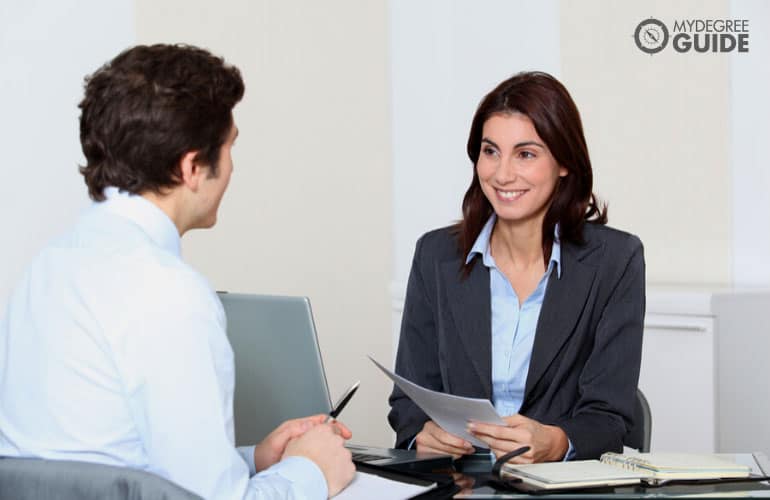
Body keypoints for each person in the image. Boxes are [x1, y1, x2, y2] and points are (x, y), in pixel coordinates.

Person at [0, 44, 355, 499]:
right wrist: (313, 470)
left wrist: (254, 459)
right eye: (229, 148)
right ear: (191, 167)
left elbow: (112, 466)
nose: (231, 167)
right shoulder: (168, 292)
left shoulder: (46, 267)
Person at [388, 71, 645, 464]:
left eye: (525, 154)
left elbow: (609, 418)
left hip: (559, 489)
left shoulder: (616, 260)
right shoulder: (435, 255)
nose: (502, 174)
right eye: (490, 151)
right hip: (461, 481)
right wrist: (422, 434)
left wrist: (558, 442)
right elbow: (409, 399)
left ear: (564, 162)